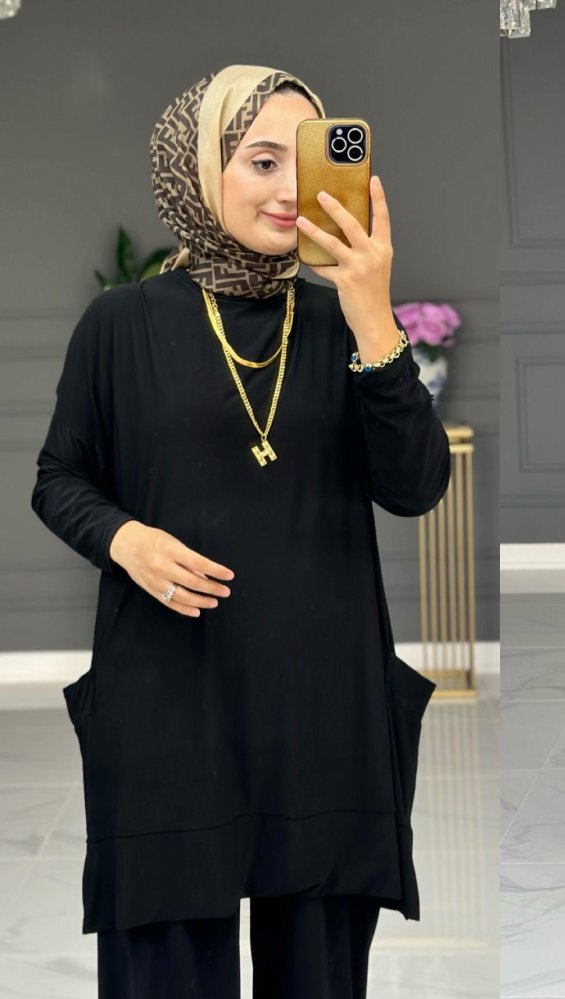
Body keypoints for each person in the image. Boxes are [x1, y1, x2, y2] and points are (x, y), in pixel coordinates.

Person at [30, 64, 451, 998]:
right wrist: (125, 539)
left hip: (323, 707)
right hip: (172, 699)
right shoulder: (121, 324)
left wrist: (372, 311)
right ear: (197, 169)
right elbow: (58, 477)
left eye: (307, 158)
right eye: (263, 160)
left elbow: (417, 487)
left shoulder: (344, 323)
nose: (291, 186)